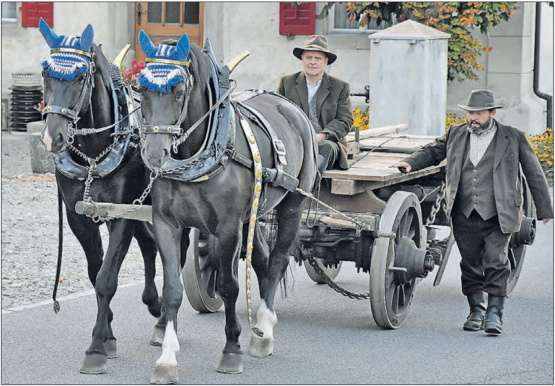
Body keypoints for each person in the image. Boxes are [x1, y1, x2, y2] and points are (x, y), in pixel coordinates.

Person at [392, 89, 553, 335]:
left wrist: (544, 208)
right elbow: (433, 152)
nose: (472, 118)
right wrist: (410, 162)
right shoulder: (456, 133)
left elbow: (533, 172)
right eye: (470, 113)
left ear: (492, 113)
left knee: (496, 261)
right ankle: (476, 310)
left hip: (501, 212)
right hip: (464, 211)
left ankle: (495, 315)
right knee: (470, 263)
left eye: (478, 113)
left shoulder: (513, 137)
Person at [276, 35, 353, 173]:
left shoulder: (340, 87)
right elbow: (276, 113)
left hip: (325, 142)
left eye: (317, 58)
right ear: (302, 59)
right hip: (293, 141)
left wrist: (321, 136)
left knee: (326, 147)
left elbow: (345, 120)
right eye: (309, 57)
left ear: (325, 61)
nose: (312, 62)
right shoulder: (286, 83)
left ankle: (309, 186)